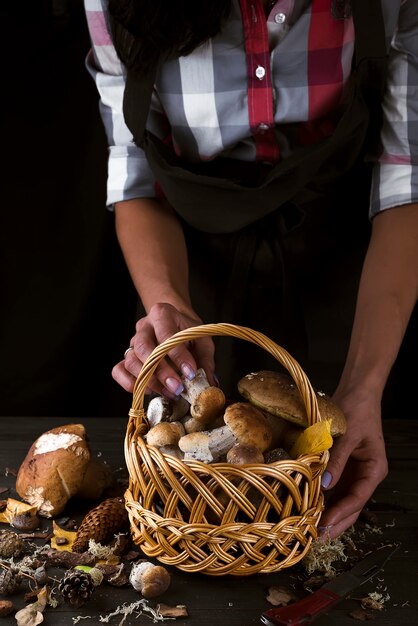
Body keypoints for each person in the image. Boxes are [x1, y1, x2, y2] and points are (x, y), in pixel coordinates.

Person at [83, 0, 418, 539]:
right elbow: (135, 169)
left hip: (354, 286)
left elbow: (408, 178)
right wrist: (169, 306)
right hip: (195, 268)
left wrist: (365, 384)